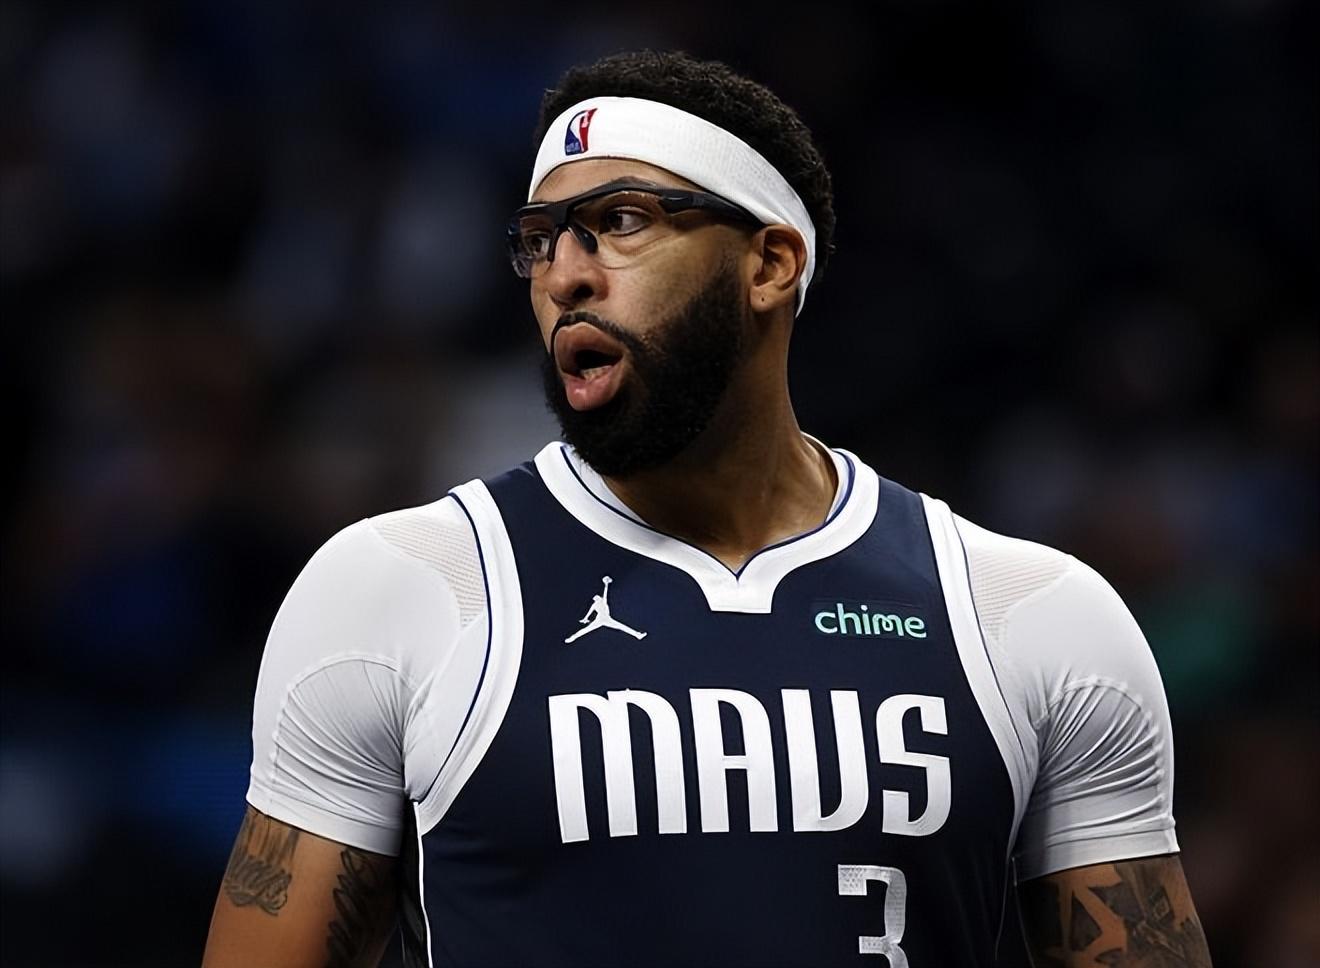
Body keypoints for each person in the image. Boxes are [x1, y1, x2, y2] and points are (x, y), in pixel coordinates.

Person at [202, 50, 1212, 968]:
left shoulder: (1028, 616)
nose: (566, 273)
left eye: (622, 222)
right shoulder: (400, 591)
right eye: (540, 239)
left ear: (770, 264)